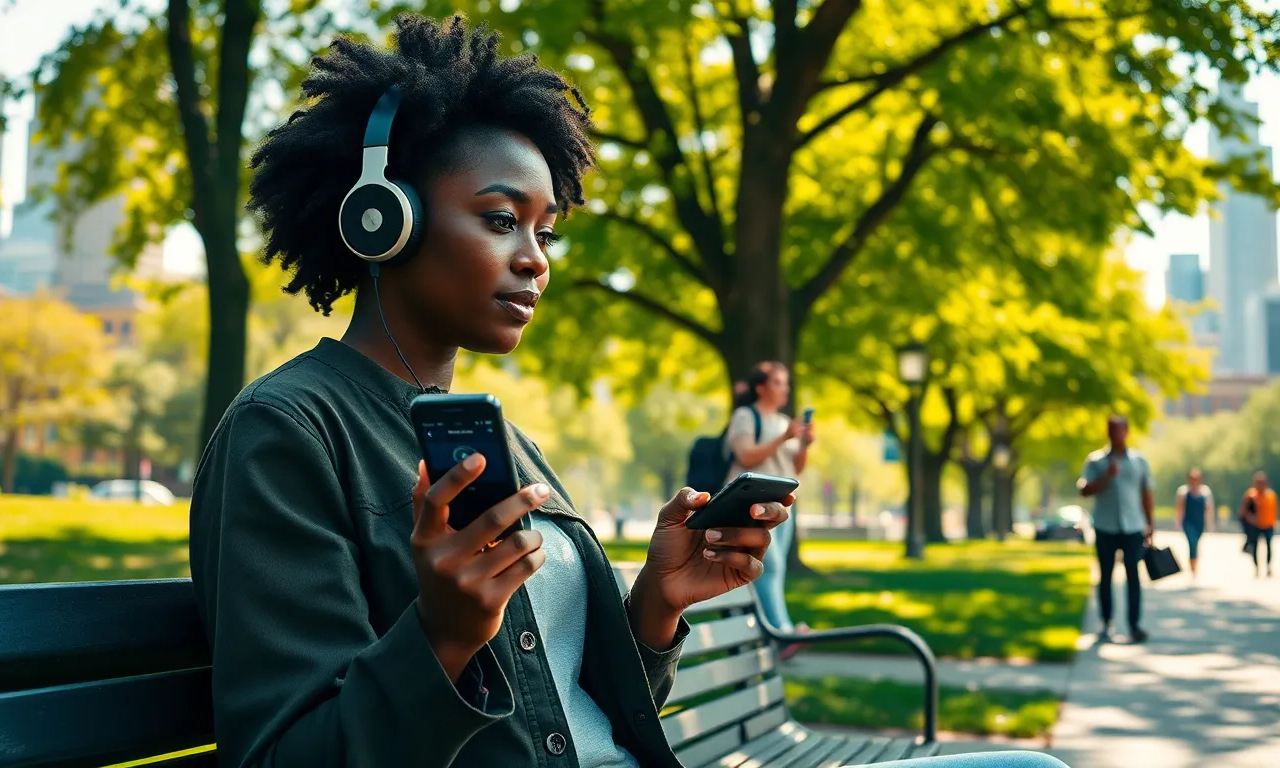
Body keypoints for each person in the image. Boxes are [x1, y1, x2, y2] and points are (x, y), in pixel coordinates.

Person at [187, 16, 795, 767]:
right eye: (503, 220)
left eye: (547, 233)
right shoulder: (287, 433)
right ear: (385, 221)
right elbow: (282, 757)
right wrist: (441, 637)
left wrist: (655, 607)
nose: (536, 261)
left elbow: (567, 716)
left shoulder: (501, 445)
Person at [725, 362, 814, 656]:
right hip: (753, 504)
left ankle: (768, 634)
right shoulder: (745, 416)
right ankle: (782, 633)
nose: (784, 388)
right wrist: (784, 438)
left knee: (776, 568)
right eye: (777, 382)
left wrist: (803, 446)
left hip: (782, 502)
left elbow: (794, 467)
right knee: (769, 566)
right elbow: (746, 456)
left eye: (785, 383)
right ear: (760, 387)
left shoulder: (783, 421)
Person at [1078, 415, 1155, 644]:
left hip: (1133, 527)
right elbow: (1084, 490)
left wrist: (1150, 524)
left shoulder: (1139, 461)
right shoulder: (1096, 461)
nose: (1116, 435)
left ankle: (1134, 625)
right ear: (1107, 433)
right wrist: (1106, 477)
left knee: (1133, 575)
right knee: (1106, 575)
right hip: (1105, 526)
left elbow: (1147, 494)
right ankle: (1106, 622)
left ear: (1127, 432)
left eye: (1120, 430)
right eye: (1112, 431)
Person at [1173, 468, 1214, 580]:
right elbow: (1180, 508)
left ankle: (1194, 565)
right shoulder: (1183, 492)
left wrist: (1209, 524)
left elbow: (1209, 509)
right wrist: (1178, 523)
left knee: (1196, 545)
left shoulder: (1205, 492)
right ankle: (1193, 569)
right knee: (1192, 544)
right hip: (1188, 523)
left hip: (1199, 523)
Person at [1240, 471, 1279, 578]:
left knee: (1269, 546)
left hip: (1268, 525)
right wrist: (1251, 519)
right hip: (1255, 526)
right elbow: (1244, 511)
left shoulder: (1271, 495)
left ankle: (1268, 566)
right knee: (1255, 547)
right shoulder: (1251, 495)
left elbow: (1274, 510)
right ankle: (1256, 567)